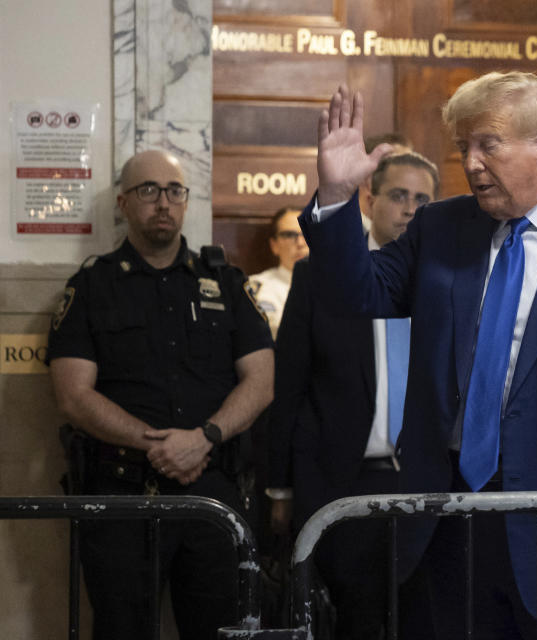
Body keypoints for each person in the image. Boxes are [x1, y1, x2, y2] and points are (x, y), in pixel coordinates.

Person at [299, 73, 537, 639]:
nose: (471, 162)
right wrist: (336, 198)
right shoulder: (440, 226)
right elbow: (353, 294)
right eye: (464, 147)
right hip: (451, 522)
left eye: (488, 144)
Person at [46, 149, 274, 639]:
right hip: (122, 496)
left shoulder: (226, 284)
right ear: (124, 203)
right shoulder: (91, 287)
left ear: (186, 201)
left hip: (215, 493)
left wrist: (205, 436)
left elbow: (262, 381)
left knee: (223, 630)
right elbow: (72, 395)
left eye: (174, 191)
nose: (163, 203)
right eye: (148, 191)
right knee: (121, 628)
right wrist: (157, 446)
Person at [268, 152, 440, 639]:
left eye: (422, 199)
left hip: (424, 484)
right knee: (358, 622)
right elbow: (291, 382)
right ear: (370, 198)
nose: (409, 209)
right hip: (344, 481)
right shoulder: (320, 276)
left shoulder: (448, 280)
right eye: (398, 195)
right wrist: (280, 488)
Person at [249, 206, 309, 338]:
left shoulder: (333, 287)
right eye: (289, 235)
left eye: (306, 232)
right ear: (274, 245)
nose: (300, 243)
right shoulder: (258, 288)